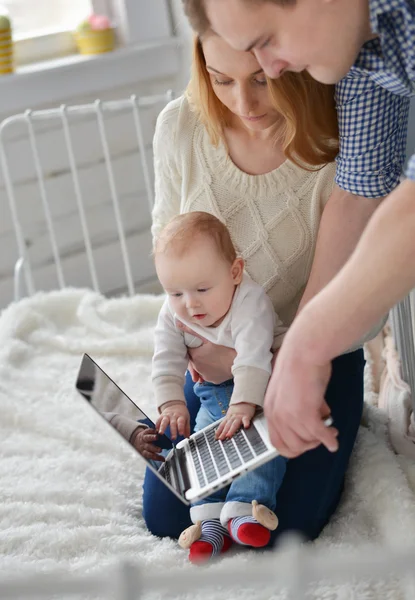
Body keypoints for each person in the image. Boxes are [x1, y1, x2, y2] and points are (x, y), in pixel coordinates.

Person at [142, 31, 379, 545]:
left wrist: (268, 356)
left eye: (262, 81)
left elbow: (362, 296)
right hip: (212, 366)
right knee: (169, 516)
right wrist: (198, 357)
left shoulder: (345, 138)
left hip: (316, 351)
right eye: (221, 79)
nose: (243, 103)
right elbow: (170, 260)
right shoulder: (180, 128)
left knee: (287, 526)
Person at [181, 0, 415, 458]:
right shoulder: (362, 52)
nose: (272, 65)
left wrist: (308, 346)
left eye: (267, 40)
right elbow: (360, 192)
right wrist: (297, 349)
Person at [152, 211, 288, 563]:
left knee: (263, 445)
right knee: (204, 452)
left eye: (201, 289)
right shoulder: (174, 312)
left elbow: (254, 359)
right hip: (211, 393)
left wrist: (245, 405)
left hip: (264, 388)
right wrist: (171, 404)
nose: (190, 303)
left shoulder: (250, 301)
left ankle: (247, 507)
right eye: (175, 292)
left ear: (235, 273)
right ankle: (209, 522)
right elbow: (165, 359)